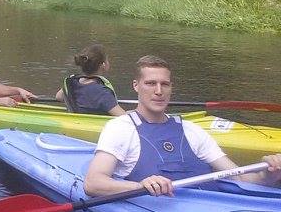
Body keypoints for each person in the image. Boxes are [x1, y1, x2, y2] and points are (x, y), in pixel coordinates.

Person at [83, 56, 281, 197]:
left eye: (165, 84)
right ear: (136, 85)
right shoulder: (120, 128)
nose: (158, 91)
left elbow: (241, 179)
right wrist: (140, 186)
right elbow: (94, 183)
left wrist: (268, 174)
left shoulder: (191, 130)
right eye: (151, 83)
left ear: (171, 87)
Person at [54, 44, 125, 116]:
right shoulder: (102, 92)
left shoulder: (72, 82)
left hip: (77, 122)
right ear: (103, 65)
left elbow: (59, 97)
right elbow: (123, 117)